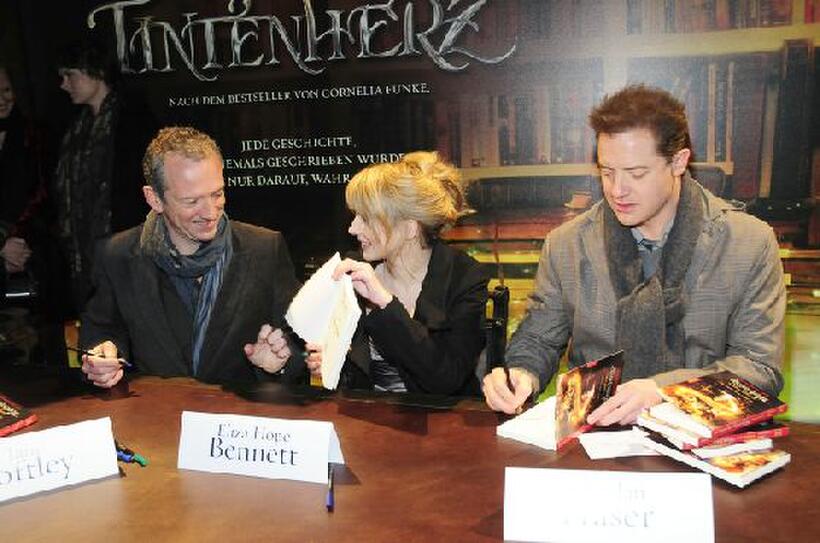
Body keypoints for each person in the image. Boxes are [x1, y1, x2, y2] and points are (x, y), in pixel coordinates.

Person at [483, 85, 786, 424]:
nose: (617, 190)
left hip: (704, 443)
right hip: (596, 438)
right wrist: (520, 374)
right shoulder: (566, 245)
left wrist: (664, 391)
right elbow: (538, 339)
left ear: (679, 162)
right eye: (607, 172)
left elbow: (759, 370)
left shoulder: (747, 244)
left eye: (636, 173)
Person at [79, 126, 301, 387]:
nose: (210, 212)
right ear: (154, 199)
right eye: (191, 201)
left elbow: (299, 340)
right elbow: (101, 330)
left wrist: (280, 363)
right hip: (158, 418)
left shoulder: (265, 249)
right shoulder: (117, 255)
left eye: (217, 194)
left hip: (238, 420)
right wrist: (102, 357)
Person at [305, 151, 490, 395]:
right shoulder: (352, 270)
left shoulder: (464, 278)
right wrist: (328, 361)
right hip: (366, 420)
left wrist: (385, 302)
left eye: (367, 218)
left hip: (439, 425)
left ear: (410, 228)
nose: (353, 228)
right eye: (355, 216)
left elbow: (446, 379)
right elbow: (349, 371)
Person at [53, 39, 156, 313]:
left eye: (70, 75)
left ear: (94, 71)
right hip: (84, 257)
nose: (64, 84)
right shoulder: (74, 128)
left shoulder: (134, 121)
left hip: (129, 250)